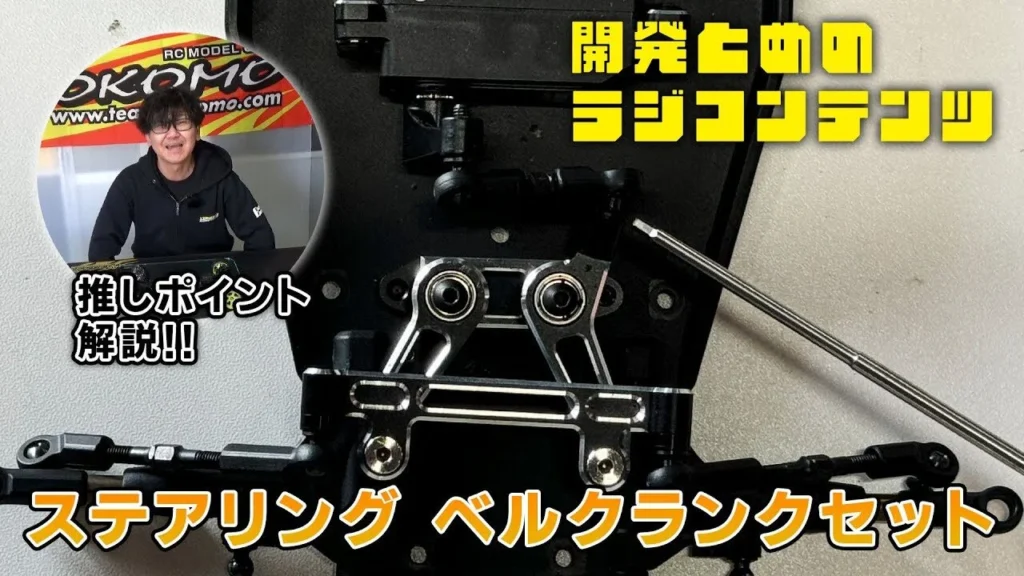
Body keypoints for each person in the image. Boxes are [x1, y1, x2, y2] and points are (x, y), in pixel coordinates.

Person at [88, 86, 275, 261]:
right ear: (148, 137)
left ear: (197, 131)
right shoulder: (129, 182)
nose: (172, 134)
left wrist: (246, 278)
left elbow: (261, 237)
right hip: (153, 280)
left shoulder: (222, 177)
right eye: (161, 125)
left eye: (182, 122)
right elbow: (100, 250)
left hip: (214, 277)